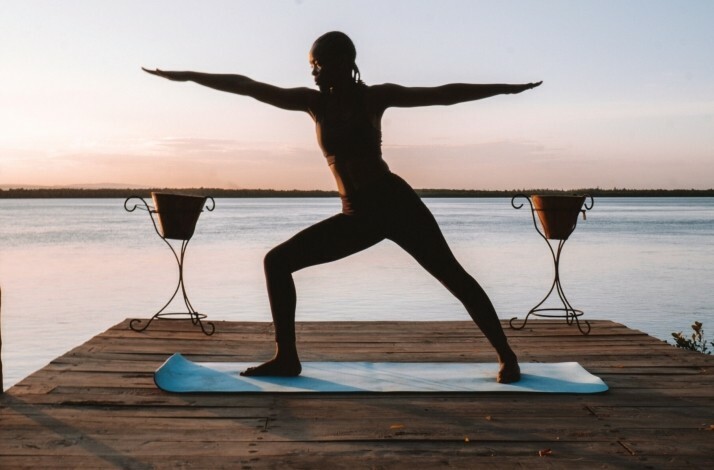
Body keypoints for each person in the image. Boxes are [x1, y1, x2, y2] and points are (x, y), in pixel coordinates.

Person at [144, 31, 541, 383]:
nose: (313, 73)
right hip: (357, 214)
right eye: (311, 66)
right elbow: (245, 85)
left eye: (318, 64)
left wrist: (506, 88)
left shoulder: (375, 97)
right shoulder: (312, 104)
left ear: (344, 63)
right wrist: (187, 76)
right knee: (277, 262)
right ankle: (287, 358)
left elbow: (443, 93)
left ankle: (508, 357)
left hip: (395, 203)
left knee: (453, 276)